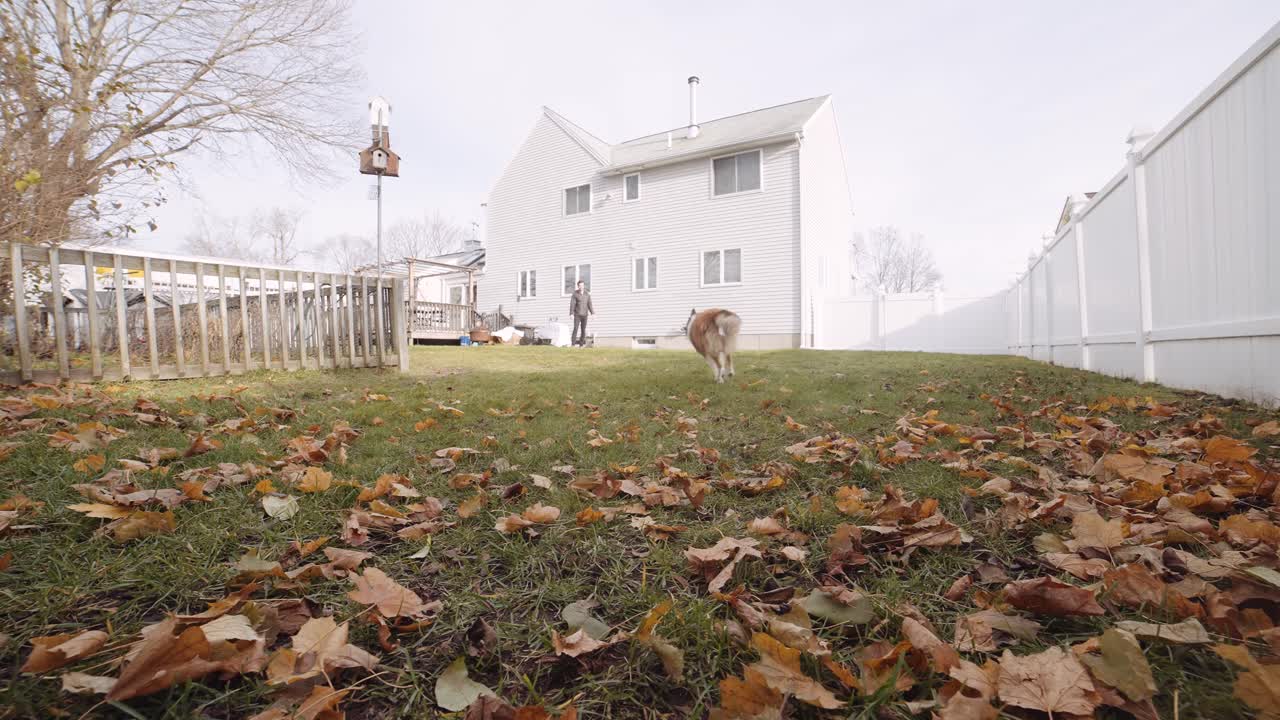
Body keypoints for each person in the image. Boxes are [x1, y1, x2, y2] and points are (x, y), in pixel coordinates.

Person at [569, 280, 594, 347]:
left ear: (584, 286)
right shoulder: (575, 294)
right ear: (578, 286)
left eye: (582, 285)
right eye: (580, 285)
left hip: (585, 315)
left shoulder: (587, 294)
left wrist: (593, 313)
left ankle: (581, 345)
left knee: (583, 330)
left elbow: (589, 304)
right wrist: (571, 313)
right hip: (577, 315)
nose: (581, 287)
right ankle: (573, 344)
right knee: (575, 329)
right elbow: (572, 304)